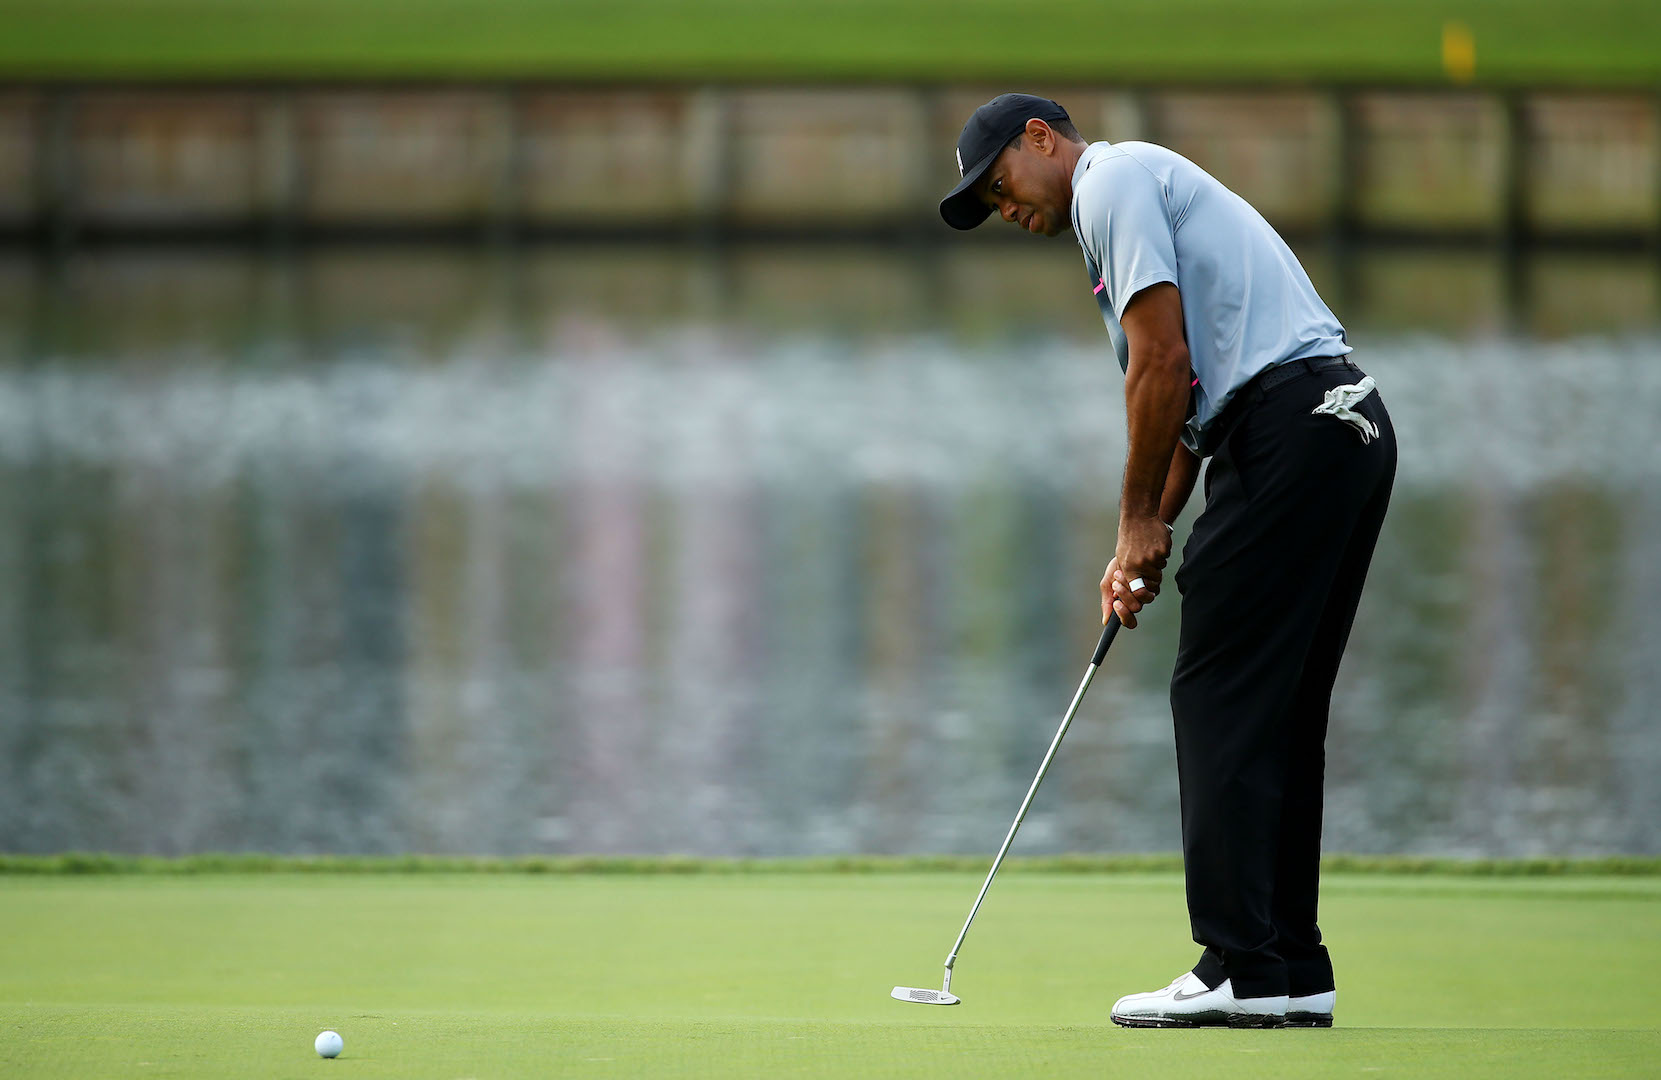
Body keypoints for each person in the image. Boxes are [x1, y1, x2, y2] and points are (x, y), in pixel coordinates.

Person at [939, 94, 1397, 1029]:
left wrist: (1134, 523)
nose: (1004, 208)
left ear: (1040, 139)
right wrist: (1144, 533)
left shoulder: (1107, 183)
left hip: (1287, 430)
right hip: (1343, 425)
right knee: (1279, 708)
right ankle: (1289, 966)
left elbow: (1157, 362)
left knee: (1218, 692)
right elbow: (1188, 400)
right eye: (988, 205)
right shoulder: (1133, 188)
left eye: (1000, 186)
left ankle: (1237, 964)